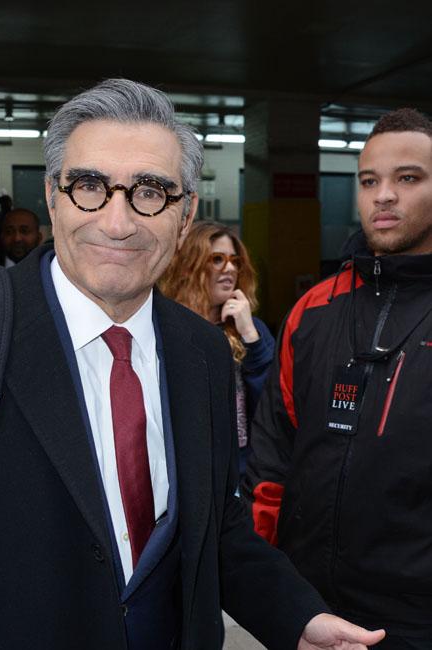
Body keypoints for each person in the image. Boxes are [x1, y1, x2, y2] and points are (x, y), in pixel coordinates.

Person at [0, 79, 384, 650]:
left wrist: (297, 619)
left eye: (151, 191)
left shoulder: (203, 352)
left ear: (186, 213)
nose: (118, 223)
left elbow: (217, 530)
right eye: (90, 186)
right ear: (53, 196)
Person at [242, 107, 432, 648]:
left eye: (408, 178)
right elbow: (273, 456)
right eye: (369, 181)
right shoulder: (313, 310)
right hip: (310, 610)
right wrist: (272, 588)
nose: (384, 196)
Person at [158, 222, 274, 474]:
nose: (230, 268)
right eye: (218, 259)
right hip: (182, 470)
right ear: (190, 266)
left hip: (239, 473)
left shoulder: (252, 330)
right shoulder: (165, 325)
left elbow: (272, 408)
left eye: (235, 261)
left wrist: (250, 337)